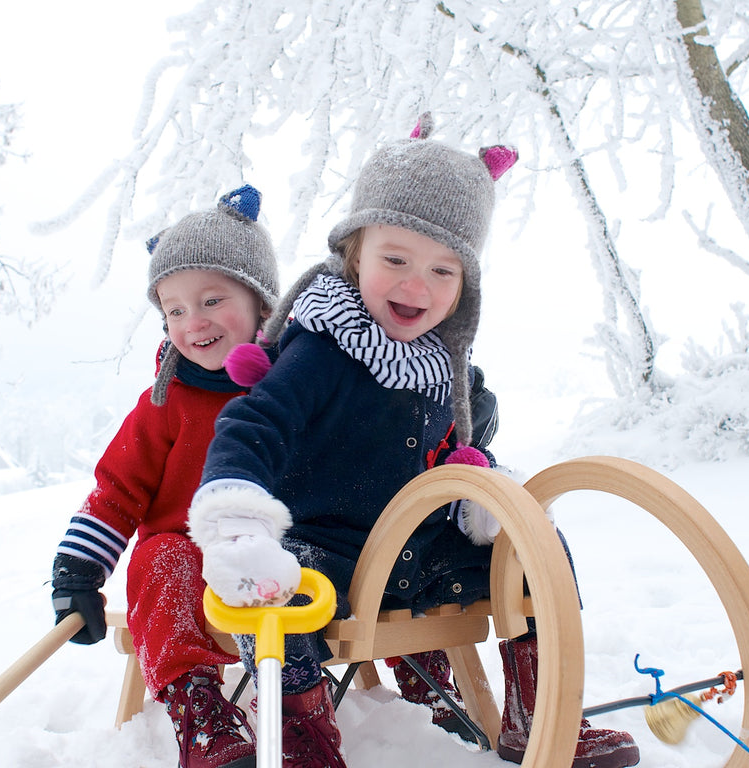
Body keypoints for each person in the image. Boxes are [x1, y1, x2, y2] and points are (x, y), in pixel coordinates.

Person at [187, 115, 641, 768]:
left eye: (442, 270)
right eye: (394, 259)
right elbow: (249, 425)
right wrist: (240, 525)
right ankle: (303, 739)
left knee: (538, 546)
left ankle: (539, 716)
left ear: (465, 286)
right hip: (329, 553)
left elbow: (454, 447)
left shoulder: (442, 362)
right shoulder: (324, 347)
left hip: (420, 552)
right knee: (271, 598)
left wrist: (479, 488)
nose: (416, 286)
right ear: (354, 253)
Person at [49, 184, 279, 768]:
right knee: (161, 560)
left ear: (261, 302)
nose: (192, 321)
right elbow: (118, 491)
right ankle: (198, 710)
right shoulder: (166, 403)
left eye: (211, 300)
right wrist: (78, 570)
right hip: (192, 571)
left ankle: (425, 694)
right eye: (174, 310)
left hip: (281, 562)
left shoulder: (295, 390)